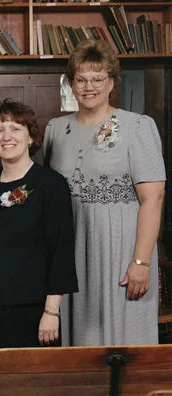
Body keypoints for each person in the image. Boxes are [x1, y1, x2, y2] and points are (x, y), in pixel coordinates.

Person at [43, 39, 166, 346]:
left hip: (121, 252)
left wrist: (140, 263)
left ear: (112, 81)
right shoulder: (55, 130)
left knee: (124, 345)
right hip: (71, 251)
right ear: (71, 83)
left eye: (97, 79)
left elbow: (153, 198)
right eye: (81, 79)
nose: (89, 86)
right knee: (79, 348)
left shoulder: (137, 126)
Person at [0, 99, 78, 348]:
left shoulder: (51, 185)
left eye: (15, 129)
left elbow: (61, 252)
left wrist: (51, 312)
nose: (6, 136)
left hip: (34, 310)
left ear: (31, 137)